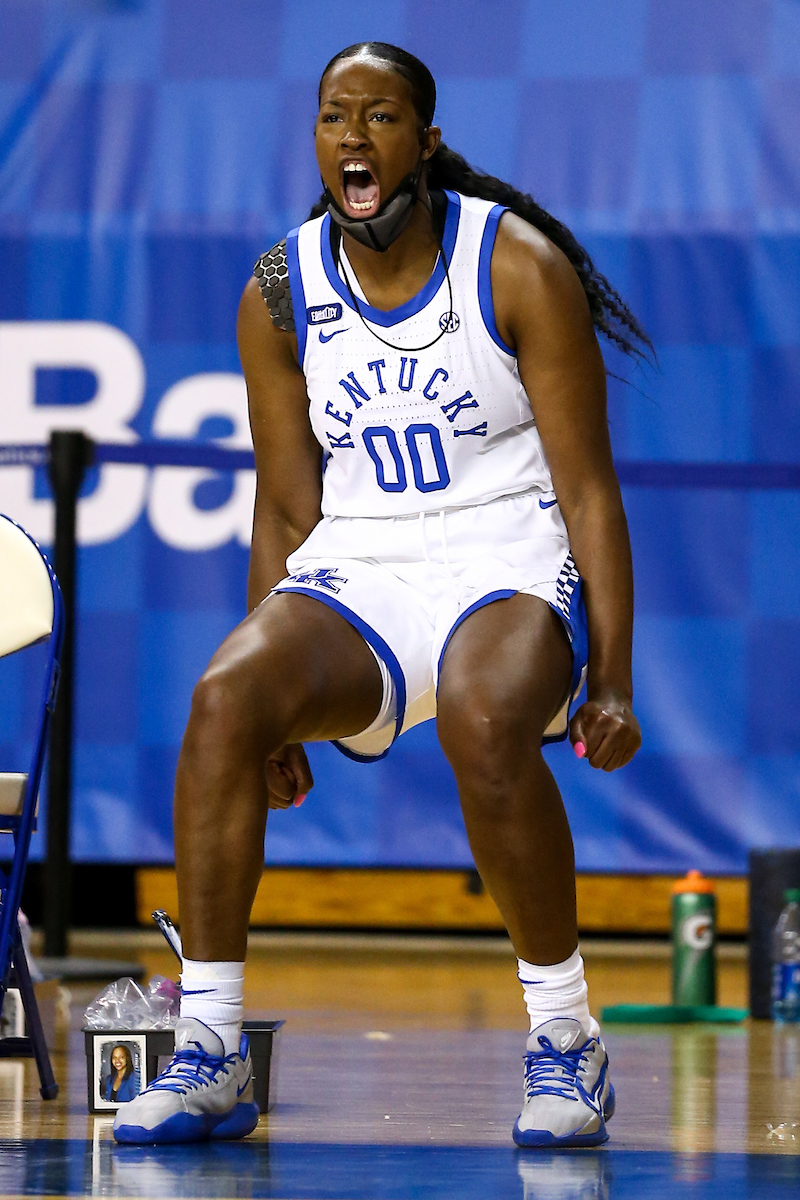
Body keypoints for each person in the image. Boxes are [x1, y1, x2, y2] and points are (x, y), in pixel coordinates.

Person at [114, 41, 647, 1148]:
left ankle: (566, 1038)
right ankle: (209, 1045)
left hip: (505, 555)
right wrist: (270, 696)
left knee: (482, 717)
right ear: (316, 140)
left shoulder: (515, 264)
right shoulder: (280, 288)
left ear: (426, 140)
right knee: (222, 700)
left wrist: (611, 678)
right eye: (332, 116)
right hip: (361, 561)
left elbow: (591, 492)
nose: (352, 135)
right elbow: (283, 507)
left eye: (381, 116)